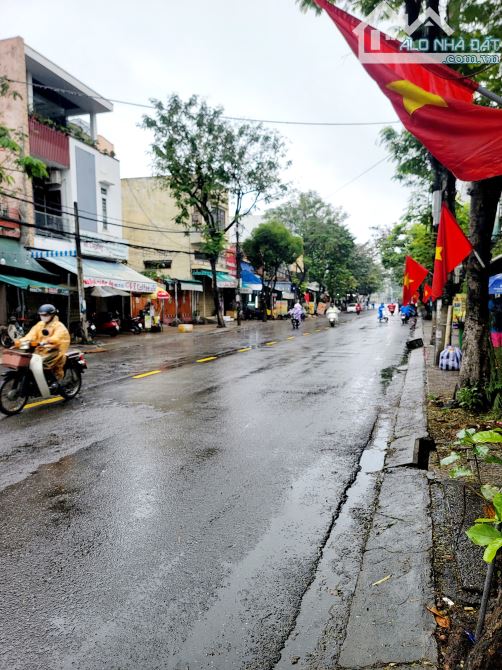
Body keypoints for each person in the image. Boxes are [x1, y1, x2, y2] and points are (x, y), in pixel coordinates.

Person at [16, 304, 70, 382]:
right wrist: (21, 341)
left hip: (54, 351)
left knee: (42, 364)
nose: (43, 317)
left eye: (45, 315)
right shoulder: (40, 324)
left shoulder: (59, 326)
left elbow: (58, 337)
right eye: (41, 315)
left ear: (52, 315)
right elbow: (31, 335)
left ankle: (54, 381)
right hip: (40, 350)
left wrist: (48, 341)